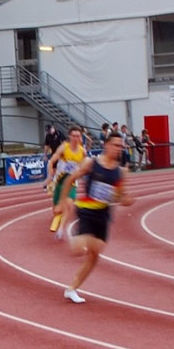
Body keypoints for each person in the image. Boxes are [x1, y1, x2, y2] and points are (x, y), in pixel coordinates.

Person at [61, 130, 131, 303]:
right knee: (78, 250)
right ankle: (77, 237)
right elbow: (70, 179)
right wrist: (63, 201)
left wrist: (125, 200)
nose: (119, 149)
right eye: (115, 145)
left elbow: (119, 195)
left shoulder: (121, 172)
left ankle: (71, 289)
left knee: (94, 256)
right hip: (86, 211)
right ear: (106, 145)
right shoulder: (91, 163)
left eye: (121, 146)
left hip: (103, 214)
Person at [46, 125, 88, 238]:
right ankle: (57, 217)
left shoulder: (82, 152)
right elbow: (52, 160)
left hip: (72, 182)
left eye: (78, 136)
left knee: (69, 204)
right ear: (69, 136)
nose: (75, 138)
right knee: (56, 210)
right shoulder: (64, 147)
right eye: (73, 136)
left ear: (80, 137)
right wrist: (50, 171)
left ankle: (61, 229)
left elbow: (84, 167)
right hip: (59, 181)